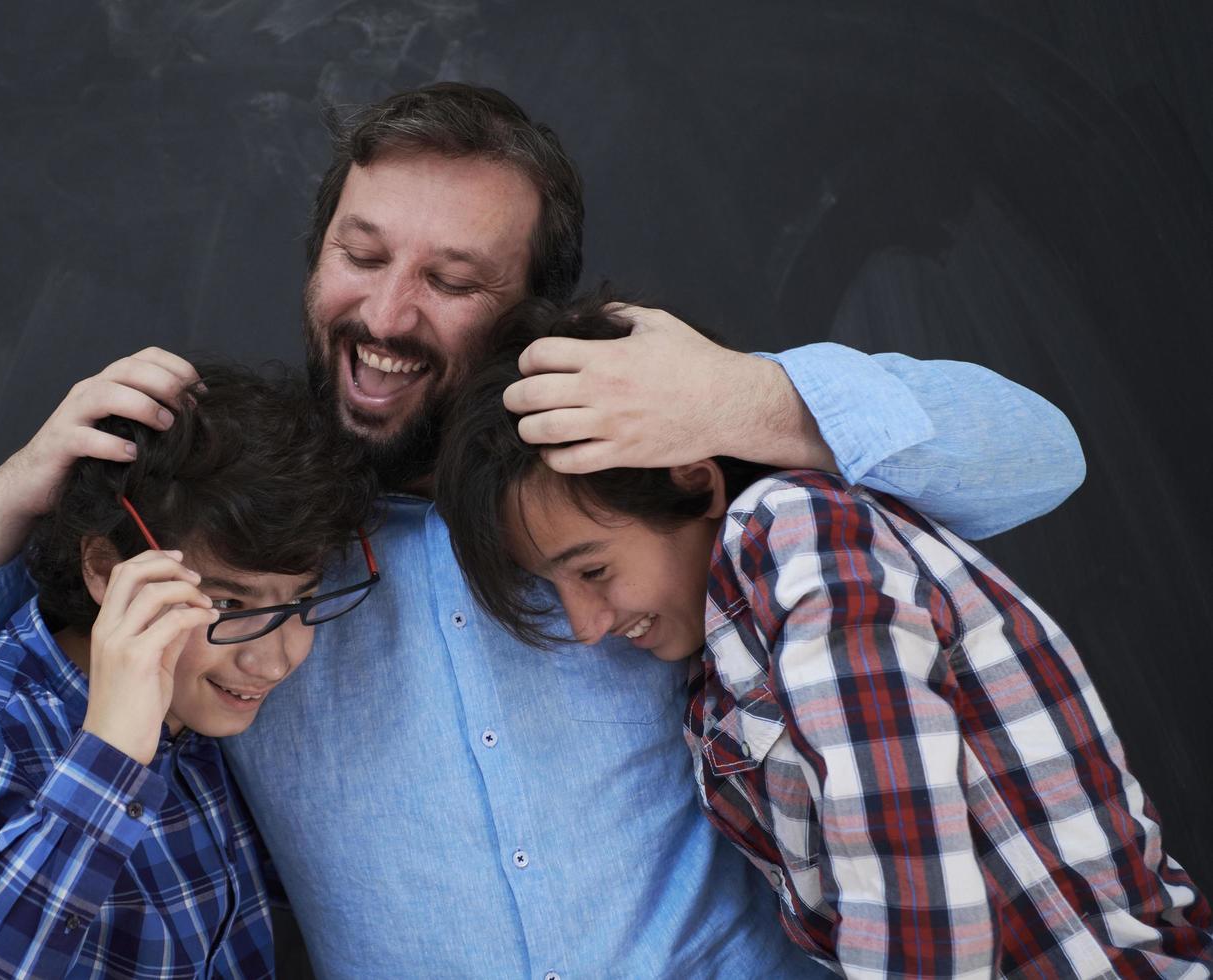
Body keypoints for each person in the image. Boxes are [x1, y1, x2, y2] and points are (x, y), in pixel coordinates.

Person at [0, 84, 1088, 975]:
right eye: (359, 254)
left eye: (452, 279)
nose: (384, 312)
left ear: (531, 305)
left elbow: (1042, 455)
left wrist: (742, 394)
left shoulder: (646, 462)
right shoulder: (246, 521)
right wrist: (31, 475)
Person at [434, 294, 1212, 977]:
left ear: (694, 481)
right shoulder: (716, 673)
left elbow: (912, 887)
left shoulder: (788, 530)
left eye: (594, 572)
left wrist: (745, 394)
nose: (585, 626)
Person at [0, 366, 379, 978]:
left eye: (301, 602)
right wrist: (109, 762)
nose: (274, 659)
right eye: (227, 605)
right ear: (102, 567)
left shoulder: (204, 720)